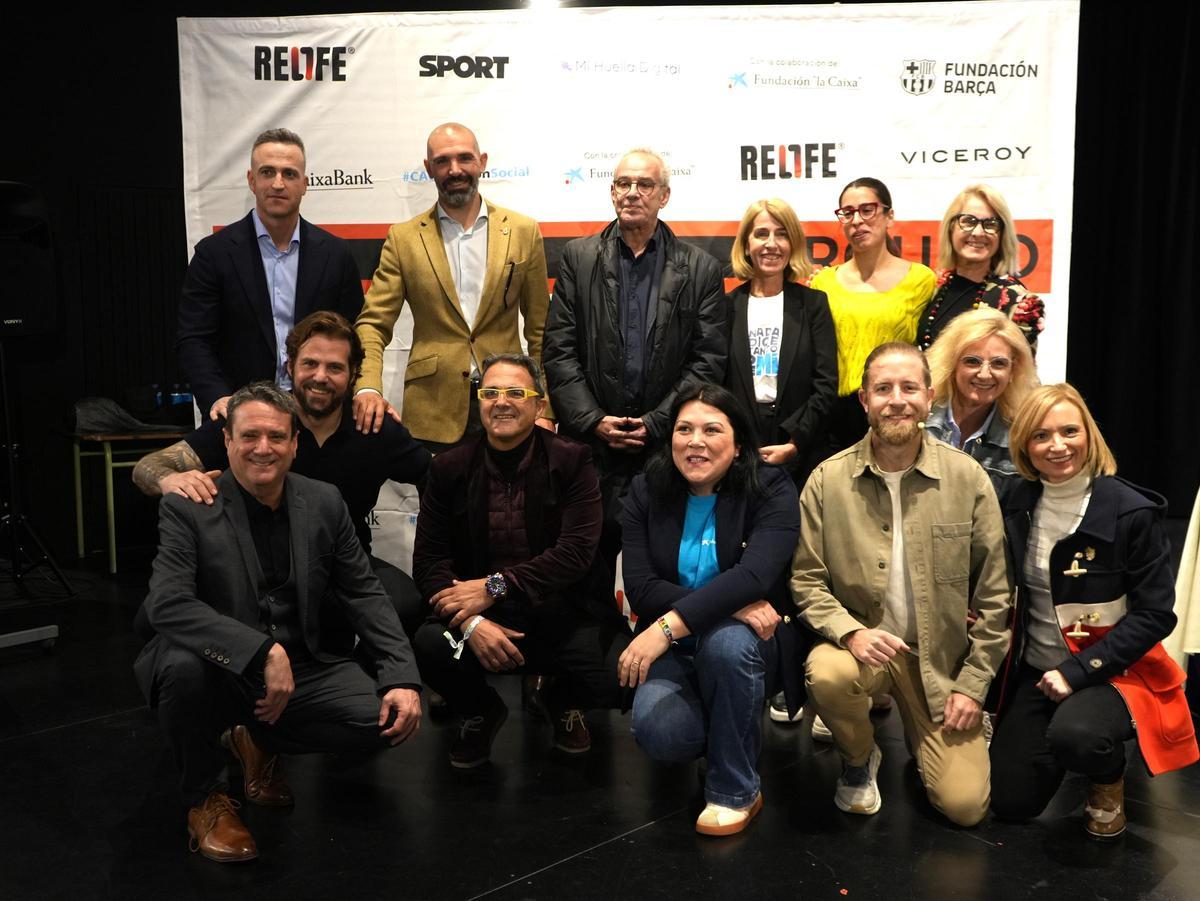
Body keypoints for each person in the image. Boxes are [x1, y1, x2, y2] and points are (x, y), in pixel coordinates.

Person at [133, 383, 421, 862]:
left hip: (302, 664)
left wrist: (402, 675)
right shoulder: (189, 503)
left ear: (294, 444)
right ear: (227, 441)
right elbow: (166, 604)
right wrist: (261, 651)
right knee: (182, 669)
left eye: (275, 436)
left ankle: (257, 737)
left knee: (385, 722)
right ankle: (205, 798)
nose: (262, 448)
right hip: (216, 666)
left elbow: (363, 592)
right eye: (249, 436)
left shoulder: (325, 501)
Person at [791, 342, 1011, 827]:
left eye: (909, 387)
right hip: (860, 650)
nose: (897, 399)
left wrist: (973, 689)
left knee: (964, 807)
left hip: (938, 663)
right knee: (826, 675)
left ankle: (925, 733)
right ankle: (858, 757)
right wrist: (851, 633)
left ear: (929, 397)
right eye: (883, 388)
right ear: (864, 400)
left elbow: (996, 599)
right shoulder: (826, 481)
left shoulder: (968, 479)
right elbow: (807, 582)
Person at [133, 311, 431, 635]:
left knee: (406, 603)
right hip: (252, 568)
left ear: (354, 374)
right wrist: (169, 479)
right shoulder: (257, 420)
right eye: (310, 364)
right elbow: (146, 468)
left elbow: (439, 477)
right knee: (152, 618)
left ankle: (354, 680)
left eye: (335, 368)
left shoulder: (373, 428)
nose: (320, 376)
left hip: (342, 567)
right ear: (290, 366)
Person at [990, 383, 1199, 838]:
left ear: (1090, 435)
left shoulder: (1131, 512)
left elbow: (1156, 615)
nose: (1058, 445)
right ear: (1025, 444)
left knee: (1079, 737)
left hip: (1115, 672)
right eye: (1041, 435)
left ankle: (1106, 776)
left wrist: (1079, 671)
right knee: (1009, 802)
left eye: (1070, 431)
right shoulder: (1014, 502)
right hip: (1036, 670)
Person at [411, 354, 629, 767]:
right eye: (490, 392)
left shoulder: (572, 460)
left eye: (516, 392)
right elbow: (428, 563)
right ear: (479, 402)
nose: (502, 402)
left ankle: (559, 699)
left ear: (539, 406)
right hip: (480, 620)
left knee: (615, 671)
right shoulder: (448, 468)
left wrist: (495, 587)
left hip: (558, 613)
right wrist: (471, 621)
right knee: (429, 645)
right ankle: (481, 711)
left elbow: (575, 554)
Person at [620, 384, 803, 836]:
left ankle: (736, 790)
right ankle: (731, 729)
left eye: (711, 429)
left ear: (739, 444)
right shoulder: (645, 489)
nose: (694, 441)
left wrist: (666, 627)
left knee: (726, 644)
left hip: (746, 643)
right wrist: (729, 603)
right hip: (683, 645)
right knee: (660, 732)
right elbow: (641, 588)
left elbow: (755, 577)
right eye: (684, 429)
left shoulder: (771, 487)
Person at [543, 147, 727, 564]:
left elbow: (708, 361)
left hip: (666, 449)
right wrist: (593, 420)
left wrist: (657, 422)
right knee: (586, 572)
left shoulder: (700, 268)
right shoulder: (578, 257)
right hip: (592, 449)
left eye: (644, 184)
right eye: (623, 184)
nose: (632, 193)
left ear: (664, 196)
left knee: (664, 570)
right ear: (611, 192)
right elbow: (559, 349)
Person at [353, 123, 551, 450]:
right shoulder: (403, 239)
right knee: (440, 502)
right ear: (429, 168)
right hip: (433, 411)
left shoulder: (522, 231)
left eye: (464, 158)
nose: (454, 169)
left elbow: (541, 330)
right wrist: (368, 387)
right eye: (443, 161)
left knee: (513, 503)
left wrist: (546, 407)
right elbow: (372, 324)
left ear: (482, 161)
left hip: (511, 405)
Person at [177, 128, 363, 420]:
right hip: (239, 414)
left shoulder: (336, 255)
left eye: (289, 174)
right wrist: (217, 397)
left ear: (305, 183)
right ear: (252, 180)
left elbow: (353, 337)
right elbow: (194, 340)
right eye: (267, 172)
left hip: (318, 413)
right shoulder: (213, 255)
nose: (278, 183)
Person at [811, 177, 936, 452]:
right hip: (833, 415)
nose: (857, 220)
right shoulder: (823, 283)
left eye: (867, 210)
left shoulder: (921, 280)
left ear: (889, 215)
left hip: (894, 408)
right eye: (848, 212)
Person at [724, 198, 838, 485]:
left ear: (793, 243)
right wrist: (736, 441)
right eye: (761, 234)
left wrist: (795, 443)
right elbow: (715, 383)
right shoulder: (725, 307)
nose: (771, 244)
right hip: (738, 451)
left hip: (801, 450)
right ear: (746, 244)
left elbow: (825, 384)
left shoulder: (813, 304)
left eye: (782, 234)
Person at [917, 184, 1045, 352]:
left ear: (1002, 235)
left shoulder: (1018, 301)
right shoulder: (933, 286)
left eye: (990, 224)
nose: (978, 232)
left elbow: (1021, 374)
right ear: (950, 228)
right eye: (968, 221)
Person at [924, 307, 1038, 484]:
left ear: (1012, 371)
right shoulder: (918, 422)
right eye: (972, 361)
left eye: (998, 363)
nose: (985, 374)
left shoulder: (1021, 439)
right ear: (952, 364)